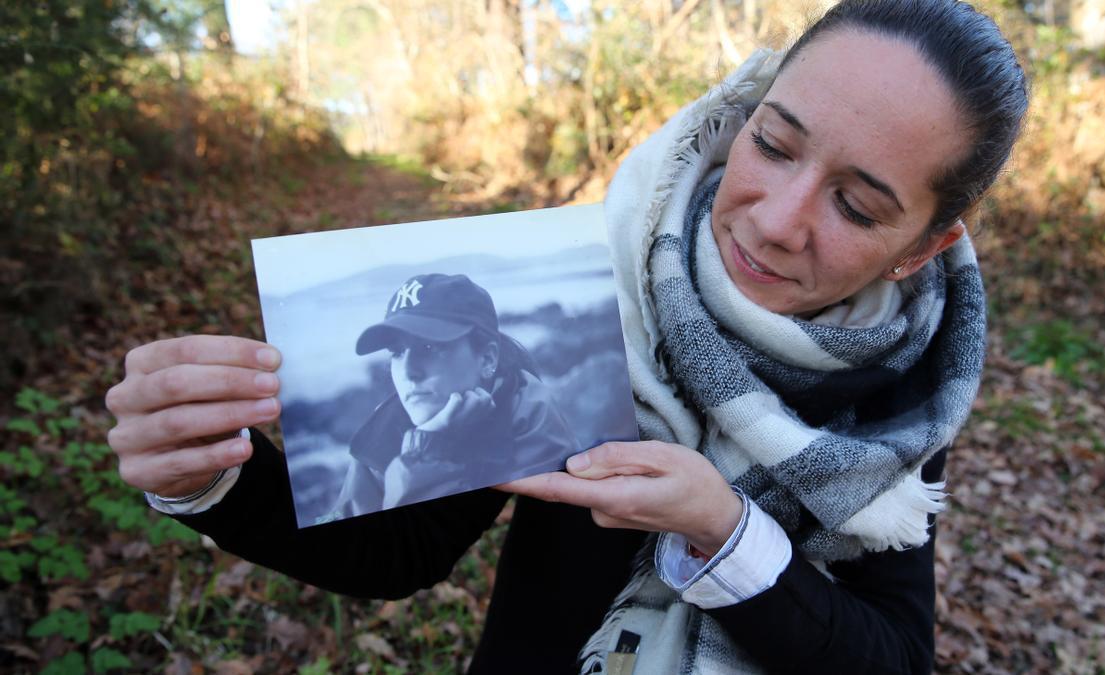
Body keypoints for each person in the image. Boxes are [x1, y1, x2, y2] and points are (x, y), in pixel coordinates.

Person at [104, 0, 1028, 672]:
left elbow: (891, 658)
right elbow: (400, 550)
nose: (777, 220)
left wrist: (725, 529)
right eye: (774, 145)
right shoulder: (594, 284)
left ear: (924, 246)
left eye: (859, 205)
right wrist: (209, 473)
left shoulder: (906, 394)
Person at [331, 272, 578, 516]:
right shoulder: (384, 426)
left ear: (487, 358)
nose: (408, 372)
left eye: (429, 347)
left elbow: (419, 544)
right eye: (396, 352)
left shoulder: (530, 417)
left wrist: (427, 449)